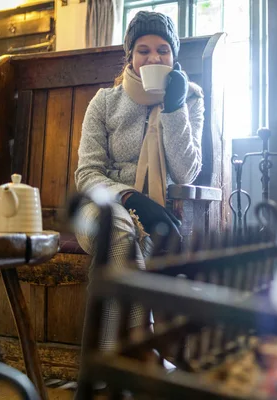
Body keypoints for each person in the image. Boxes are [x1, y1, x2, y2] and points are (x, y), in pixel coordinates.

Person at [74, 11, 204, 351]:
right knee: (118, 227)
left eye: (163, 49)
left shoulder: (190, 97)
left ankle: (104, 365)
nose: (154, 58)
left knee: (124, 241)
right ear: (130, 56)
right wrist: (130, 197)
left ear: (174, 56)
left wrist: (174, 108)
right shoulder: (105, 102)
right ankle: (140, 354)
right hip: (100, 207)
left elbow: (187, 171)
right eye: (143, 50)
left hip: (159, 214)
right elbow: (87, 175)